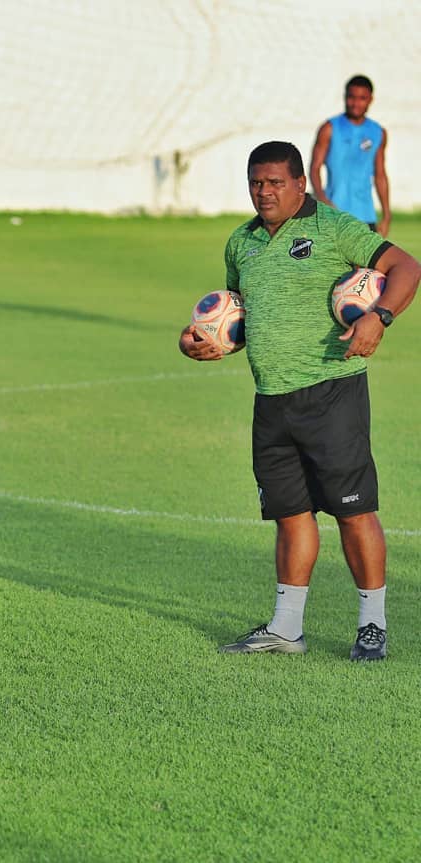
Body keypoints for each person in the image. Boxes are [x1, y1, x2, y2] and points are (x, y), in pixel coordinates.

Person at [179, 141, 421, 660]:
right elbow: (235, 315)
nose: (263, 192)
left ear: (300, 184)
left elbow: (407, 267)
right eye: (255, 183)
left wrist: (379, 318)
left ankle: (372, 627)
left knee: (355, 512)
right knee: (290, 514)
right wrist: (200, 340)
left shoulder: (333, 227)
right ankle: (286, 629)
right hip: (271, 400)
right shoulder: (240, 242)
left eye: (275, 183)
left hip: (333, 393)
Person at [310, 75, 391, 237]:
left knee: (367, 263)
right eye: (351, 97)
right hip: (334, 214)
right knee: (332, 262)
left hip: (365, 215)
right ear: (345, 97)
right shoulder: (329, 128)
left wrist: (387, 215)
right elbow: (314, 168)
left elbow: (380, 175)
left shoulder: (377, 132)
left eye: (362, 98)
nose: (356, 103)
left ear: (370, 99)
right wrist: (322, 199)